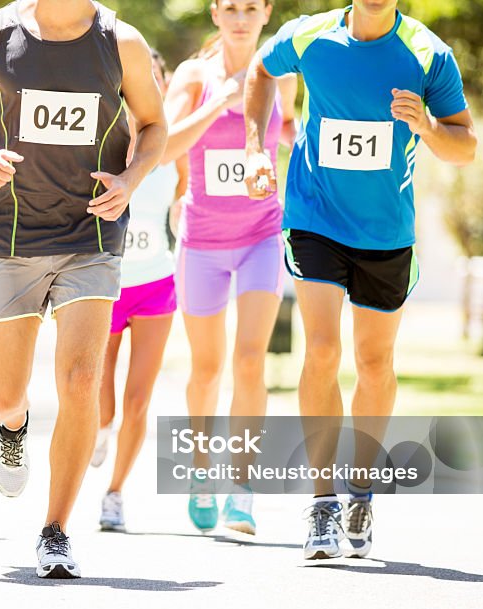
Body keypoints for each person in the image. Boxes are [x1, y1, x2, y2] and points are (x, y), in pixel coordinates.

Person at [0, 0, 167, 578]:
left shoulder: (123, 42)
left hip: (92, 232)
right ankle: (14, 427)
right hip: (11, 236)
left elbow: (156, 125)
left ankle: (56, 529)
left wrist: (130, 179)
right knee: (1, 396)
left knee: (83, 378)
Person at [244, 0, 475, 559]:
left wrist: (425, 124)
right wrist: (256, 149)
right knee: (322, 351)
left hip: (386, 232)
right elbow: (260, 72)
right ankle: (322, 503)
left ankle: (361, 490)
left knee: (374, 365)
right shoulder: (310, 36)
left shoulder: (427, 54)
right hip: (314, 216)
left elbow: (465, 145)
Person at [163, 0, 296, 535]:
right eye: (231, 8)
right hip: (203, 241)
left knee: (249, 362)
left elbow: (289, 134)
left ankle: (241, 489)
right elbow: (165, 143)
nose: (241, 18)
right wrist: (216, 104)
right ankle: (200, 472)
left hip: (261, 234)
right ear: (216, 14)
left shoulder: (279, 75)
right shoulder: (194, 76)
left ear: (267, 13)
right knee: (206, 368)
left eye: (251, 8)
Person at [92, 49, 182, 533]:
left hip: (156, 286)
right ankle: (99, 430)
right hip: (104, 285)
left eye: (154, 78)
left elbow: (181, 203)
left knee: (138, 400)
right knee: (98, 395)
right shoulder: (103, 145)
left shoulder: (172, 152)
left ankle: (115, 493)